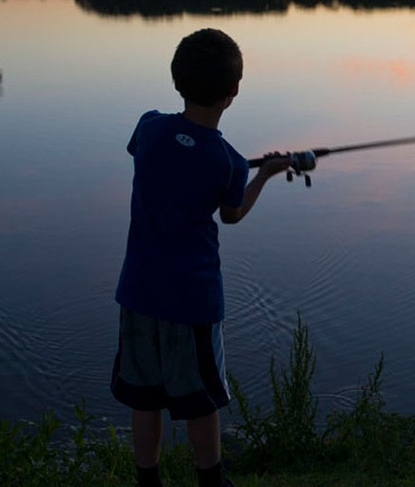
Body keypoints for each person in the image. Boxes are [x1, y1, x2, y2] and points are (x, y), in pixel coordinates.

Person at [111, 28, 289, 487]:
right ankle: (211, 480)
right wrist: (265, 173)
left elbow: (166, 154)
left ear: (176, 80)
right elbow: (232, 214)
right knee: (200, 399)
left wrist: (200, 154)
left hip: (138, 292)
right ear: (233, 92)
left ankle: (146, 479)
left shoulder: (148, 128)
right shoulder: (228, 162)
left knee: (145, 398)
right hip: (192, 303)